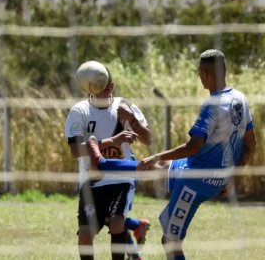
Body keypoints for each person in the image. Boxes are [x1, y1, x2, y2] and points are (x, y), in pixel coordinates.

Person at [85, 50, 256, 260]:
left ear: (204, 74)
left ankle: (105, 166)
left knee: (170, 242)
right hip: (209, 173)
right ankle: (104, 164)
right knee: (159, 166)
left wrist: (155, 155)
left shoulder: (212, 106)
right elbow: (250, 143)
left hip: (195, 181)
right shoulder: (240, 99)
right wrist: (230, 176)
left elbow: (193, 146)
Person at [65, 61, 152, 260]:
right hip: (91, 180)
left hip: (120, 178)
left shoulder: (124, 106)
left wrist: (133, 120)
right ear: (87, 87)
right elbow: (76, 150)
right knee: (85, 235)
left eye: (104, 88)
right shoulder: (79, 111)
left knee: (117, 223)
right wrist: (114, 141)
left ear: (111, 86)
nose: (100, 93)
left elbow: (148, 139)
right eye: (95, 88)